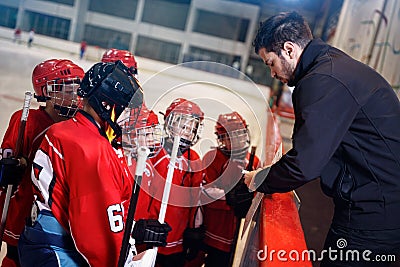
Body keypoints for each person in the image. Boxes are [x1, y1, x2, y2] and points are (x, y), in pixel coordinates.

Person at [244, 11, 400, 266]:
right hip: (385, 205)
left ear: (289, 49)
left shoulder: (320, 80)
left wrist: (259, 179)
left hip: (372, 214)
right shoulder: (334, 66)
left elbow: (305, 164)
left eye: (270, 63)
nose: (272, 74)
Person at [17, 61, 171, 266]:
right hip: (60, 253)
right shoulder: (92, 148)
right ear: (107, 106)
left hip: (44, 242)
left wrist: (133, 229)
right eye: (126, 109)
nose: (130, 118)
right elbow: (95, 232)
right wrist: (122, 259)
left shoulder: (69, 130)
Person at [0, 59, 84, 267]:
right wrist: (8, 169)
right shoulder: (27, 121)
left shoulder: (77, 127)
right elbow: (6, 164)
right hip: (24, 211)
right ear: (46, 91)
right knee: (16, 259)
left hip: (57, 219)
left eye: (77, 90)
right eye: (67, 90)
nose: (74, 98)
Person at [149, 98, 205, 267]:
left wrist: (195, 230)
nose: (187, 132)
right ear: (169, 123)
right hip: (148, 235)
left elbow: (195, 200)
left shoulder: (194, 160)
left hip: (176, 239)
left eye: (191, 128)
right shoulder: (154, 150)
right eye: (183, 126)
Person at [201, 111, 260, 267]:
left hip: (236, 234)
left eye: (241, 134)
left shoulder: (254, 161)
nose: (239, 140)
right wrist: (229, 197)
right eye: (232, 136)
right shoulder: (211, 158)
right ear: (222, 138)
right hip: (211, 230)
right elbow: (204, 192)